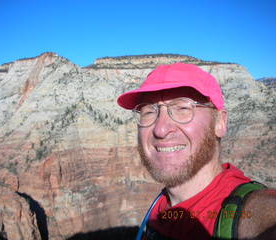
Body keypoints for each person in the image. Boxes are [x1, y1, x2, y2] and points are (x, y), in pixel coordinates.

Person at [117, 63, 276, 240]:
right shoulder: (159, 206)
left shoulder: (254, 213)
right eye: (148, 111)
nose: (160, 129)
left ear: (220, 123)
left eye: (183, 108)